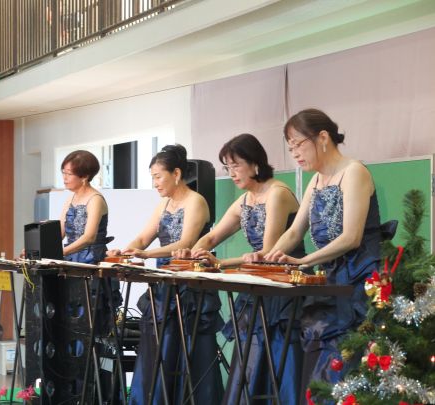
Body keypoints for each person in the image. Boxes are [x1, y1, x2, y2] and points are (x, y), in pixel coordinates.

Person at [174, 134, 305, 405]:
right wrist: (194, 252)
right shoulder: (246, 199)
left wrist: (220, 263)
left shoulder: (277, 193)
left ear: (255, 164)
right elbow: (212, 237)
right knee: (250, 354)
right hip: (258, 281)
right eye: (227, 167)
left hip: (283, 284)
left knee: (278, 355)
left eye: (236, 166)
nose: (231, 173)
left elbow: (267, 252)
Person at [265, 108, 382, 401]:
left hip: (356, 281)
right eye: (290, 147)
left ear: (323, 138)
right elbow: (295, 232)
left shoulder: (354, 172)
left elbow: (351, 237)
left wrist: (304, 260)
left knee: (345, 362)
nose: (294, 153)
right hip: (328, 280)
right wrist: (269, 257)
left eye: (298, 144)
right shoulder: (316, 180)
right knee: (317, 362)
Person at [108, 144, 224, 405]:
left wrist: (146, 254)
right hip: (163, 285)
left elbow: (186, 242)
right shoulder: (164, 204)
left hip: (188, 285)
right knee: (157, 348)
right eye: (153, 177)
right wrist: (126, 251)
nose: (155, 183)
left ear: (177, 174)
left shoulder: (196, 201)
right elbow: (143, 238)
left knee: (186, 348)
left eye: (158, 176)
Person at [60, 150, 121, 399]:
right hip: (71, 265)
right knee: (68, 324)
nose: (64, 178)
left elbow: (88, 237)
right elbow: (61, 231)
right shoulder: (72, 198)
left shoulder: (96, 199)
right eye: (63, 173)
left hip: (90, 264)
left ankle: (93, 391)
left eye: (68, 173)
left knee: (90, 326)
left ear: (84, 176)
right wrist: (40, 249)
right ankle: (70, 389)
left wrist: (60, 252)